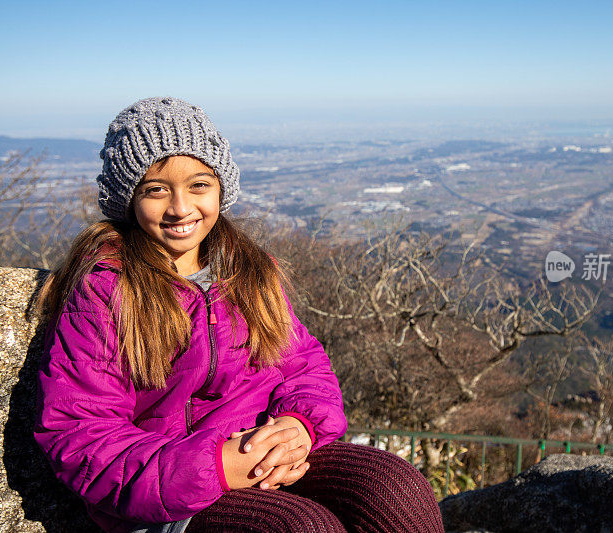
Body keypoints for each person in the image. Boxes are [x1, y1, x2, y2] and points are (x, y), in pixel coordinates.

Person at [33, 96, 445, 533]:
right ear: (128, 199)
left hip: (269, 448)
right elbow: (81, 431)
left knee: (397, 490)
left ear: (220, 187)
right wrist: (216, 466)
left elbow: (302, 365)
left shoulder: (246, 270)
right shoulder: (108, 288)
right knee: (302, 529)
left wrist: (300, 424)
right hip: (173, 491)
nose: (180, 207)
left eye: (198, 185)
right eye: (156, 190)